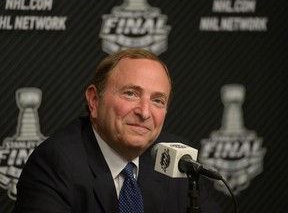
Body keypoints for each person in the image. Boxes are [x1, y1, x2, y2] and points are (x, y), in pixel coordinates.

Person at [13, 49, 222, 213]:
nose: (145, 112)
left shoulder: (177, 161)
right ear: (94, 100)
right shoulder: (56, 162)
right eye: (131, 94)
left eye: (158, 100)